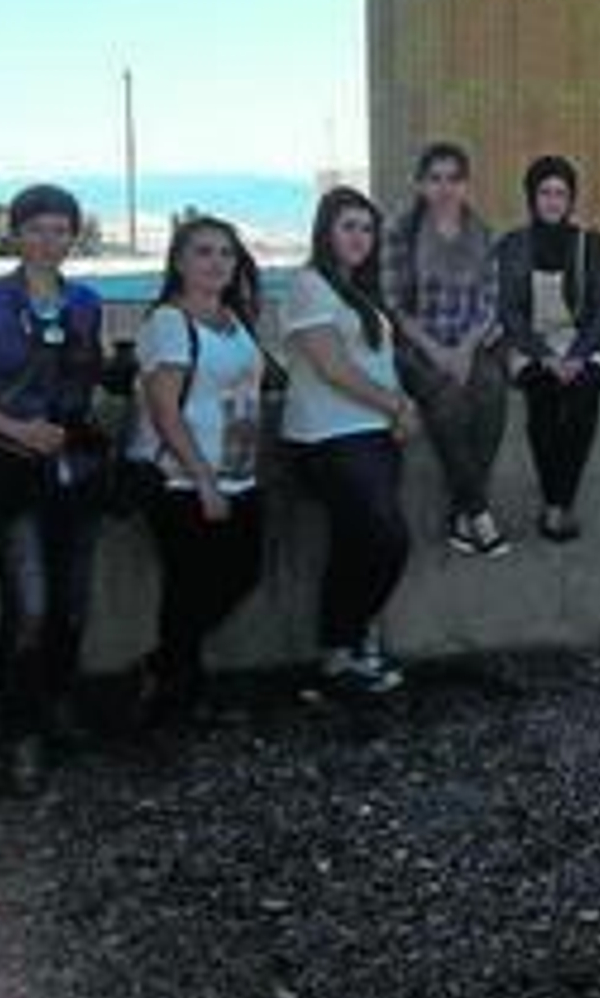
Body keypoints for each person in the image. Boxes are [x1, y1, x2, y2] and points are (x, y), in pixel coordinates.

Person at [0, 184, 104, 795]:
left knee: (71, 603)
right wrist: (17, 427)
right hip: (7, 471)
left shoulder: (86, 302)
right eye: (37, 228)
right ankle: (22, 736)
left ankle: (56, 705)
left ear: (74, 235)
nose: (50, 240)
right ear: (16, 234)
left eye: (61, 229)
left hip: (73, 468)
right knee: (30, 607)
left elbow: (87, 379)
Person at [125, 216, 269, 728]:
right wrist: (203, 479)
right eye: (203, 252)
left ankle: (164, 668)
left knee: (240, 573)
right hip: (184, 480)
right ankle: (177, 694)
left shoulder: (233, 318)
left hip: (239, 472)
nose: (216, 263)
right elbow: (165, 410)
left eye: (225, 254)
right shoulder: (169, 322)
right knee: (189, 587)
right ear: (180, 262)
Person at [282, 187, 417, 697]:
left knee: (355, 544)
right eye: (348, 226)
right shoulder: (309, 285)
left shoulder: (356, 290)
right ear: (325, 231)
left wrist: (400, 408)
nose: (359, 236)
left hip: (372, 435)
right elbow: (332, 367)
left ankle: (342, 655)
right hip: (329, 437)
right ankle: (350, 640)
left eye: (366, 227)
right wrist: (396, 406)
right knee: (388, 539)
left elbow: (374, 363)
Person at [381, 142, 510, 558]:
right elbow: (394, 304)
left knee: (492, 391)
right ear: (420, 184)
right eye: (435, 178)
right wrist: (437, 352)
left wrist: (467, 349)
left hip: (471, 343)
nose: (444, 188)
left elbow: (491, 301)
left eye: (453, 178)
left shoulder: (480, 231)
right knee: (449, 401)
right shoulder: (400, 232)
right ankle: (479, 513)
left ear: (465, 185)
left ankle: (462, 514)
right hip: (419, 345)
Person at [498, 156, 600, 541]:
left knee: (583, 397)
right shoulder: (513, 244)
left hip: (581, 342)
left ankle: (559, 503)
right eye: (544, 192)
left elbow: (599, 308)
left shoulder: (589, 243)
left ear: (571, 199)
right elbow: (509, 311)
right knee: (542, 398)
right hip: (531, 344)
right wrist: (544, 356)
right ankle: (556, 505)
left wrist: (577, 356)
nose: (552, 201)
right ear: (531, 197)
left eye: (560, 193)